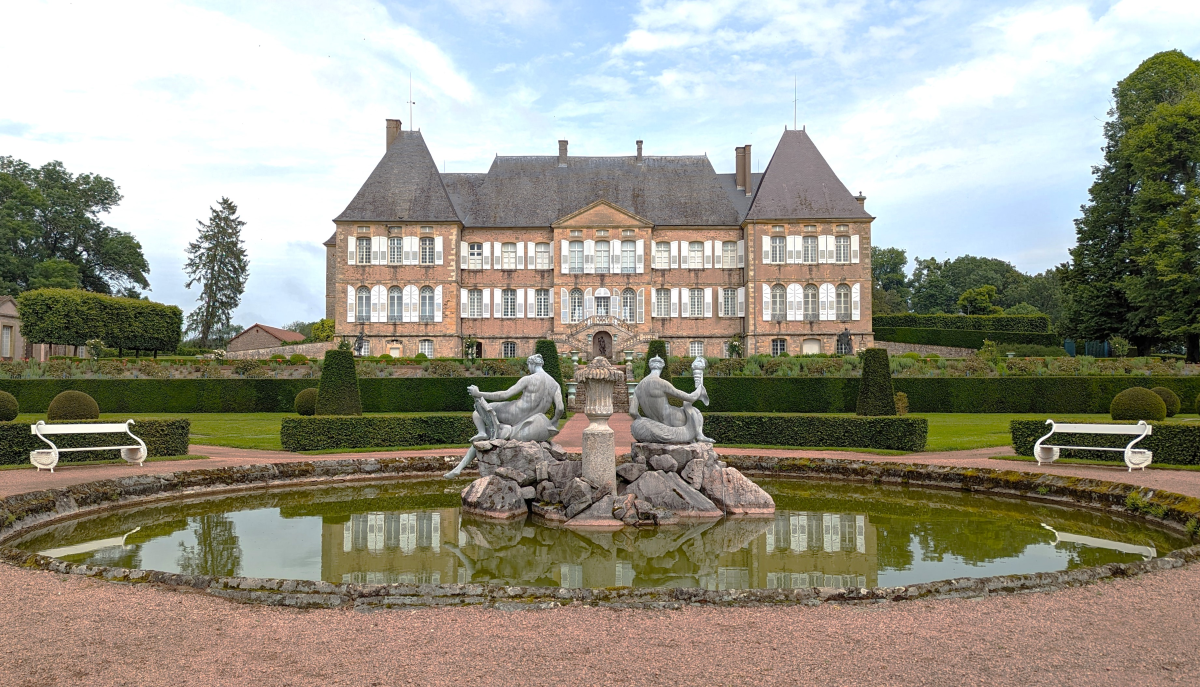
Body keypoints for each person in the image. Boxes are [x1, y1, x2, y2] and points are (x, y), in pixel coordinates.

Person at [443, 352, 564, 478]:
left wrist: (479, 393)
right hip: (530, 419)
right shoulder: (555, 384)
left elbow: (504, 395)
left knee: (478, 412)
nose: (528, 368)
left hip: (514, 412)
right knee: (495, 431)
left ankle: (481, 433)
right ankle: (461, 465)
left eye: (528, 366)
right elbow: (560, 408)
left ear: (532, 364)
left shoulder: (529, 379)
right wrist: (554, 421)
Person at [629, 356, 712, 444]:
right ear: (662, 366)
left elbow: (633, 412)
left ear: (650, 366)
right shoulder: (661, 383)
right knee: (691, 407)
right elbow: (690, 398)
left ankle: (693, 439)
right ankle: (699, 435)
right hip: (672, 417)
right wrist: (700, 388)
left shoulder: (638, 387)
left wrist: (645, 423)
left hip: (655, 421)